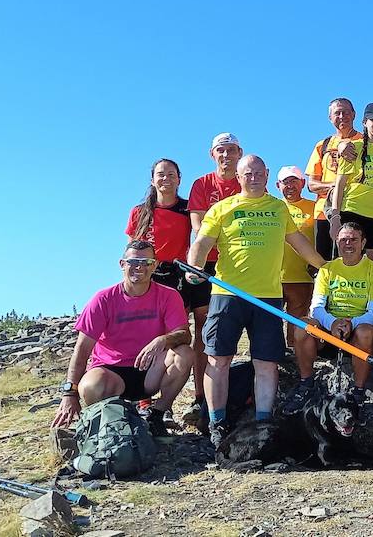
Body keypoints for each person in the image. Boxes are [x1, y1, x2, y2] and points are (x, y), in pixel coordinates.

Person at [186, 155, 328, 446]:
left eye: (259, 173)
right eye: (247, 173)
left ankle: (263, 422)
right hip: (228, 295)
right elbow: (201, 243)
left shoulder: (278, 208)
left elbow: (300, 244)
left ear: (267, 175)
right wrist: (195, 267)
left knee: (266, 363)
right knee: (219, 359)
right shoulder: (223, 208)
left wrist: (326, 267)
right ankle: (217, 423)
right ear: (238, 177)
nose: (253, 178)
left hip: (267, 297)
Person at [53, 241, 193, 437]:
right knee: (91, 386)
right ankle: (117, 418)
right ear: (122, 264)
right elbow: (82, 350)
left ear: (154, 265)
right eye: (133, 261)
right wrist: (69, 393)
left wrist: (163, 340)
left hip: (150, 369)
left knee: (184, 354)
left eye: (146, 262)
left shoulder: (168, 296)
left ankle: (157, 414)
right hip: (111, 372)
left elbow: (185, 335)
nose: (139, 267)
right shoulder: (103, 299)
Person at [126, 158, 209, 415]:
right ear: (153, 179)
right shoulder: (140, 212)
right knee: (153, 332)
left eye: (171, 174)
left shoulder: (188, 208)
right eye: (161, 174)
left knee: (200, 333)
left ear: (179, 179)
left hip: (186, 273)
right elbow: (132, 249)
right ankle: (144, 399)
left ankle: (201, 395)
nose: (166, 179)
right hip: (153, 273)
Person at [291, 220, 373, 411]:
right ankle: (306, 382)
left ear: (363, 243)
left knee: (367, 331)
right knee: (302, 326)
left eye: (353, 240)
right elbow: (316, 308)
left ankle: (359, 391)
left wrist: (351, 323)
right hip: (328, 330)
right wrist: (333, 323)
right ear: (337, 242)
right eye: (343, 240)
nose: (348, 244)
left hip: (356, 331)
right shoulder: (327, 270)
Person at [326, 102, 373, 265]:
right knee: (346, 267)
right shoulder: (353, 147)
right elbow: (340, 185)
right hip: (351, 212)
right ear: (364, 123)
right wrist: (335, 218)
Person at [274, 165, 317, 385]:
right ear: (277, 185)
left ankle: (294, 361)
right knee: (270, 321)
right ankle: (272, 358)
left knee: (297, 322)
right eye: (285, 182)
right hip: (272, 276)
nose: (290, 186)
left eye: (294, 181)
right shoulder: (272, 207)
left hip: (301, 275)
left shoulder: (314, 207)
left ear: (302, 184)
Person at [305, 98, 362, 260]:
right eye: (337, 113)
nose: (342, 116)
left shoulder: (365, 142)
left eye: (346, 112)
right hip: (324, 214)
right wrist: (338, 186)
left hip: (355, 210)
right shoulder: (323, 145)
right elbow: (312, 184)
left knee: (353, 262)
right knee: (323, 265)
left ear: (354, 115)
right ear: (330, 118)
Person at [187, 132, 243, 270]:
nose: (226, 155)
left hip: (241, 258)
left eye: (231, 150)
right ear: (212, 154)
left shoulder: (251, 182)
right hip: (207, 259)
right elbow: (198, 226)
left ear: (240, 153)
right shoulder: (202, 184)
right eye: (220, 150)